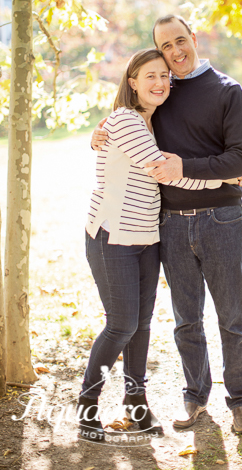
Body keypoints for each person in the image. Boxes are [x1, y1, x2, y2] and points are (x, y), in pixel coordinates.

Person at [92, 15, 242, 433]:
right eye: (165, 47)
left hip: (222, 219)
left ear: (194, 39)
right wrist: (102, 128)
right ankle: (195, 396)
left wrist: (191, 167)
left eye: (180, 41)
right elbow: (132, 127)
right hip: (169, 224)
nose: (175, 53)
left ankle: (240, 400)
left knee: (231, 317)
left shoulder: (227, 91)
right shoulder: (161, 92)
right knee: (186, 319)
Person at [79, 48, 227, 442]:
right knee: (122, 324)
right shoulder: (127, 120)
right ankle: (87, 406)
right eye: (150, 76)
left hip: (147, 237)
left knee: (141, 326)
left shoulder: (151, 121)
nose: (160, 83)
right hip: (113, 237)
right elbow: (166, 172)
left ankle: (136, 405)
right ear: (132, 83)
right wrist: (223, 181)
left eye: (164, 76)